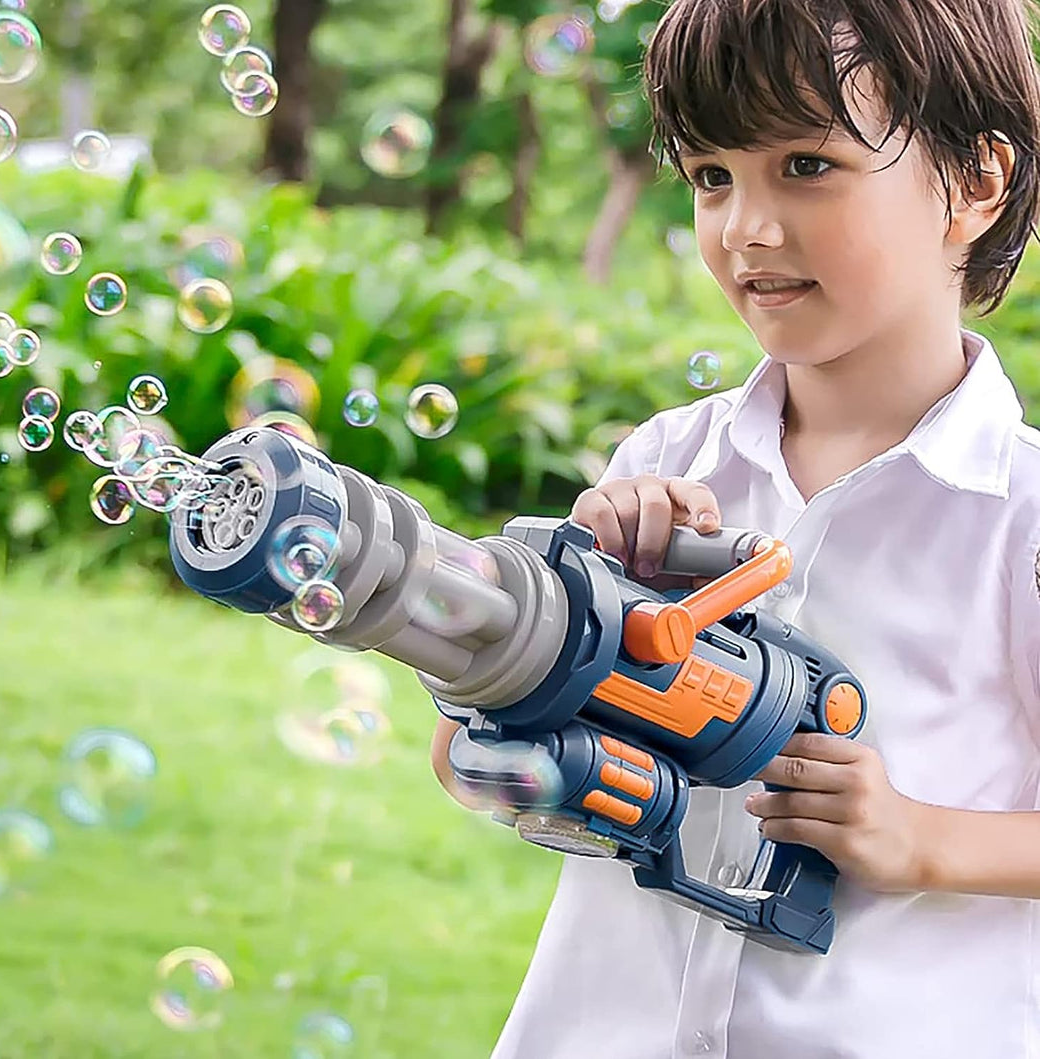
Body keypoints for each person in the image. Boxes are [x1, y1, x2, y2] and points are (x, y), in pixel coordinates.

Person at [431, 0, 1040, 1055]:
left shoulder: (1016, 525)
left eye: (805, 165)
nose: (744, 228)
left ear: (974, 184)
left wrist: (922, 840)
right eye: (712, 175)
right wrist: (565, 622)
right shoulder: (662, 468)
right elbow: (464, 761)